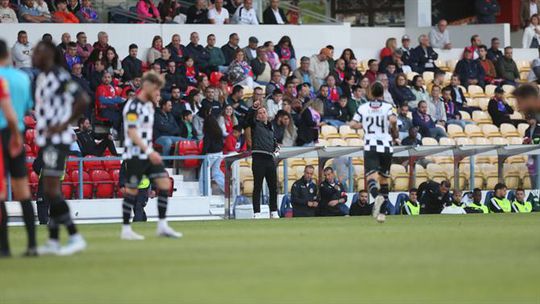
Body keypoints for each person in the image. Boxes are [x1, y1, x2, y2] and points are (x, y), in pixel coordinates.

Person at [32, 41, 89, 255]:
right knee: (49, 190)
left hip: (58, 140)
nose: (35, 54)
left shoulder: (59, 76)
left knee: (52, 190)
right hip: (48, 140)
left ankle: (75, 236)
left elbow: (82, 99)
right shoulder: (43, 77)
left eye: (39, 51)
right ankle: (54, 241)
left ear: (49, 55)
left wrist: (63, 124)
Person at [120, 72, 181, 240]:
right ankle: (126, 229)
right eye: (156, 90)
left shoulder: (148, 106)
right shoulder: (133, 106)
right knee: (132, 191)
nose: (158, 95)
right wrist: (148, 151)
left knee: (163, 182)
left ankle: (162, 225)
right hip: (134, 155)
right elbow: (132, 132)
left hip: (146, 153)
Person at [0, 42, 34, 257]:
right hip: (18, 136)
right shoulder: (23, 78)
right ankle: (32, 245)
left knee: (1, 195)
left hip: (2, 135)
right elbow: (26, 106)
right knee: (23, 193)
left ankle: (4, 248)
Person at [351, 82, 398, 223]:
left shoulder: (364, 108)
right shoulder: (388, 107)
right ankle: (382, 213)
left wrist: (363, 124)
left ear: (370, 93)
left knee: (371, 178)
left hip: (370, 146)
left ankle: (376, 196)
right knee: (384, 180)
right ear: (382, 93)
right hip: (386, 146)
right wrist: (393, 129)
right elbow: (393, 120)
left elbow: (352, 124)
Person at [245, 104, 280, 218]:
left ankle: (274, 211)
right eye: (260, 113)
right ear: (257, 116)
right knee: (258, 186)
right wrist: (253, 108)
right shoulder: (255, 125)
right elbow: (248, 119)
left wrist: (275, 147)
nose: (262, 114)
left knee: (273, 187)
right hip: (259, 158)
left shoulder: (270, 127)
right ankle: (257, 212)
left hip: (269, 158)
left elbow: (273, 141)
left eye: (264, 112)